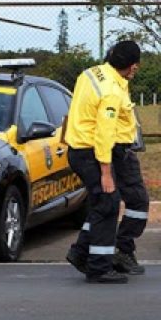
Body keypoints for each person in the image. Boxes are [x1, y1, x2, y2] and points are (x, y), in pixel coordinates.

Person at [64, 40, 141, 284]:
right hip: (92, 152)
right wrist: (106, 172)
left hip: (80, 148)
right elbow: (104, 133)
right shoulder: (111, 91)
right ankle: (98, 267)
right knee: (108, 202)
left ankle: (80, 253)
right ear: (132, 66)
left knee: (102, 204)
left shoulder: (92, 72)